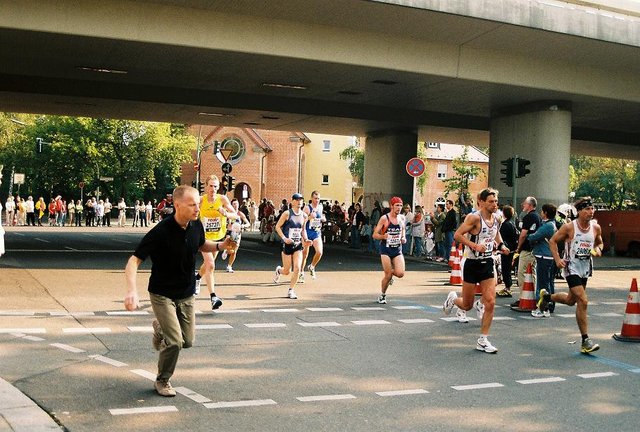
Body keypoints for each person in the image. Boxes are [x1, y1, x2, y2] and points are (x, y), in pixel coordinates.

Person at [124, 185, 235, 397]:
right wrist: (131, 291)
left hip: (186, 292)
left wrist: (221, 245)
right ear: (177, 205)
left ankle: (160, 328)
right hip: (162, 293)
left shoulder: (196, 225)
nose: (197, 208)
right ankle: (162, 380)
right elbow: (133, 260)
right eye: (192, 204)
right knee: (175, 342)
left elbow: (201, 244)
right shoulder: (161, 231)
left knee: (188, 341)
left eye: (198, 204)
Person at [443, 188, 510, 354]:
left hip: (487, 262)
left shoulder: (498, 218)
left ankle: (483, 340)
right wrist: (474, 246)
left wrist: (501, 245)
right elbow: (458, 235)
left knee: (491, 301)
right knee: (467, 304)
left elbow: (496, 234)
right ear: (482, 202)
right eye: (491, 202)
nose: (495, 204)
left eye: (496, 201)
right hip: (472, 263)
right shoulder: (474, 218)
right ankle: (453, 299)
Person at [541, 197, 603, 354]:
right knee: (583, 300)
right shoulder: (569, 227)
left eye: (592, 209)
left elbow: (599, 242)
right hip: (571, 267)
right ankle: (585, 340)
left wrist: (599, 249)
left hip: (585, 268)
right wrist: (557, 260)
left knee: (570, 301)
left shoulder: (596, 228)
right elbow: (553, 241)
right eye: (587, 209)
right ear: (580, 212)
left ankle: (547, 297)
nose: (591, 212)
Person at [197, 175, 236, 309]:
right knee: (211, 265)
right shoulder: (201, 200)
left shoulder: (222, 199)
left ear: (218, 187)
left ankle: (197, 278)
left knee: (208, 265)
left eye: (215, 186)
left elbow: (235, 214)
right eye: (210, 186)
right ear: (206, 186)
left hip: (219, 237)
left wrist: (225, 213)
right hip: (204, 238)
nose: (213, 189)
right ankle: (213, 297)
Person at [273, 193, 310, 300]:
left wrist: (306, 239)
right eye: (297, 200)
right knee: (287, 271)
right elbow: (278, 227)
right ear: (292, 201)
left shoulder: (304, 216)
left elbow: (303, 230)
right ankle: (279, 270)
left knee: (297, 268)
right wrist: (284, 239)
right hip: (287, 244)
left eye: (301, 200)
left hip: (298, 245)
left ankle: (291, 290)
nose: (299, 202)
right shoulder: (286, 214)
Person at [372, 196, 406, 304]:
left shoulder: (402, 218)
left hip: (397, 249)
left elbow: (403, 229)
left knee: (400, 273)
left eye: (400, 205)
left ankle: (391, 273)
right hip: (385, 249)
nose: (399, 208)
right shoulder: (384, 218)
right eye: (397, 205)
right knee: (387, 276)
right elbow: (375, 235)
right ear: (392, 206)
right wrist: (383, 237)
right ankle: (382, 295)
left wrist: (403, 237)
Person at [528, 204, 557, 318]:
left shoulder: (547, 226)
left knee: (543, 284)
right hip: (549, 256)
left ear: (545, 213)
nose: (541, 213)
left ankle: (544, 308)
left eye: (542, 211)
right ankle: (549, 305)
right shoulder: (552, 224)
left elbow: (533, 236)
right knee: (549, 282)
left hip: (544, 256)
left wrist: (530, 235)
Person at [512, 197, 541, 303]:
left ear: (530, 205)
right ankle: (532, 296)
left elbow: (523, 234)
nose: (523, 205)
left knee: (522, 273)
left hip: (527, 249)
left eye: (524, 203)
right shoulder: (538, 216)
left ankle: (524, 297)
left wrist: (518, 247)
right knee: (532, 273)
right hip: (535, 249)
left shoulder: (528, 217)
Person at [301, 191, 326, 281]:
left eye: (318, 198)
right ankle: (301, 272)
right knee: (304, 254)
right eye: (315, 198)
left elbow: (321, 216)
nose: (317, 200)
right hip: (307, 232)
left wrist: (323, 218)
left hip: (316, 232)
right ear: (312, 198)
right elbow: (301, 221)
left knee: (319, 252)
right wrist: (309, 218)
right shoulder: (307, 208)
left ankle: (312, 266)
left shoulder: (320, 207)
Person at [221, 198, 250, 273]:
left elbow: (248, 223)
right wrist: (228, 224)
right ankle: (226, 250)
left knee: (234, 251)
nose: (235, 205)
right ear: (231, 205)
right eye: (234, 204)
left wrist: (243, 226)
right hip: (229, 232)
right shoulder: (228, 213)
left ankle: (229, 266)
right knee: (227, 244)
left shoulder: (240, 214)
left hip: (238, 234)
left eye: (236, 204)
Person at [496, 205, 519, 297]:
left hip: (506, 249)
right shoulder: (512, 223)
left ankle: (507, 287)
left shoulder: (505, 225)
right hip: (512, 249)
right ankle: (507, 286)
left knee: (506, 269)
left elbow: (501, 238)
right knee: (507, 268)